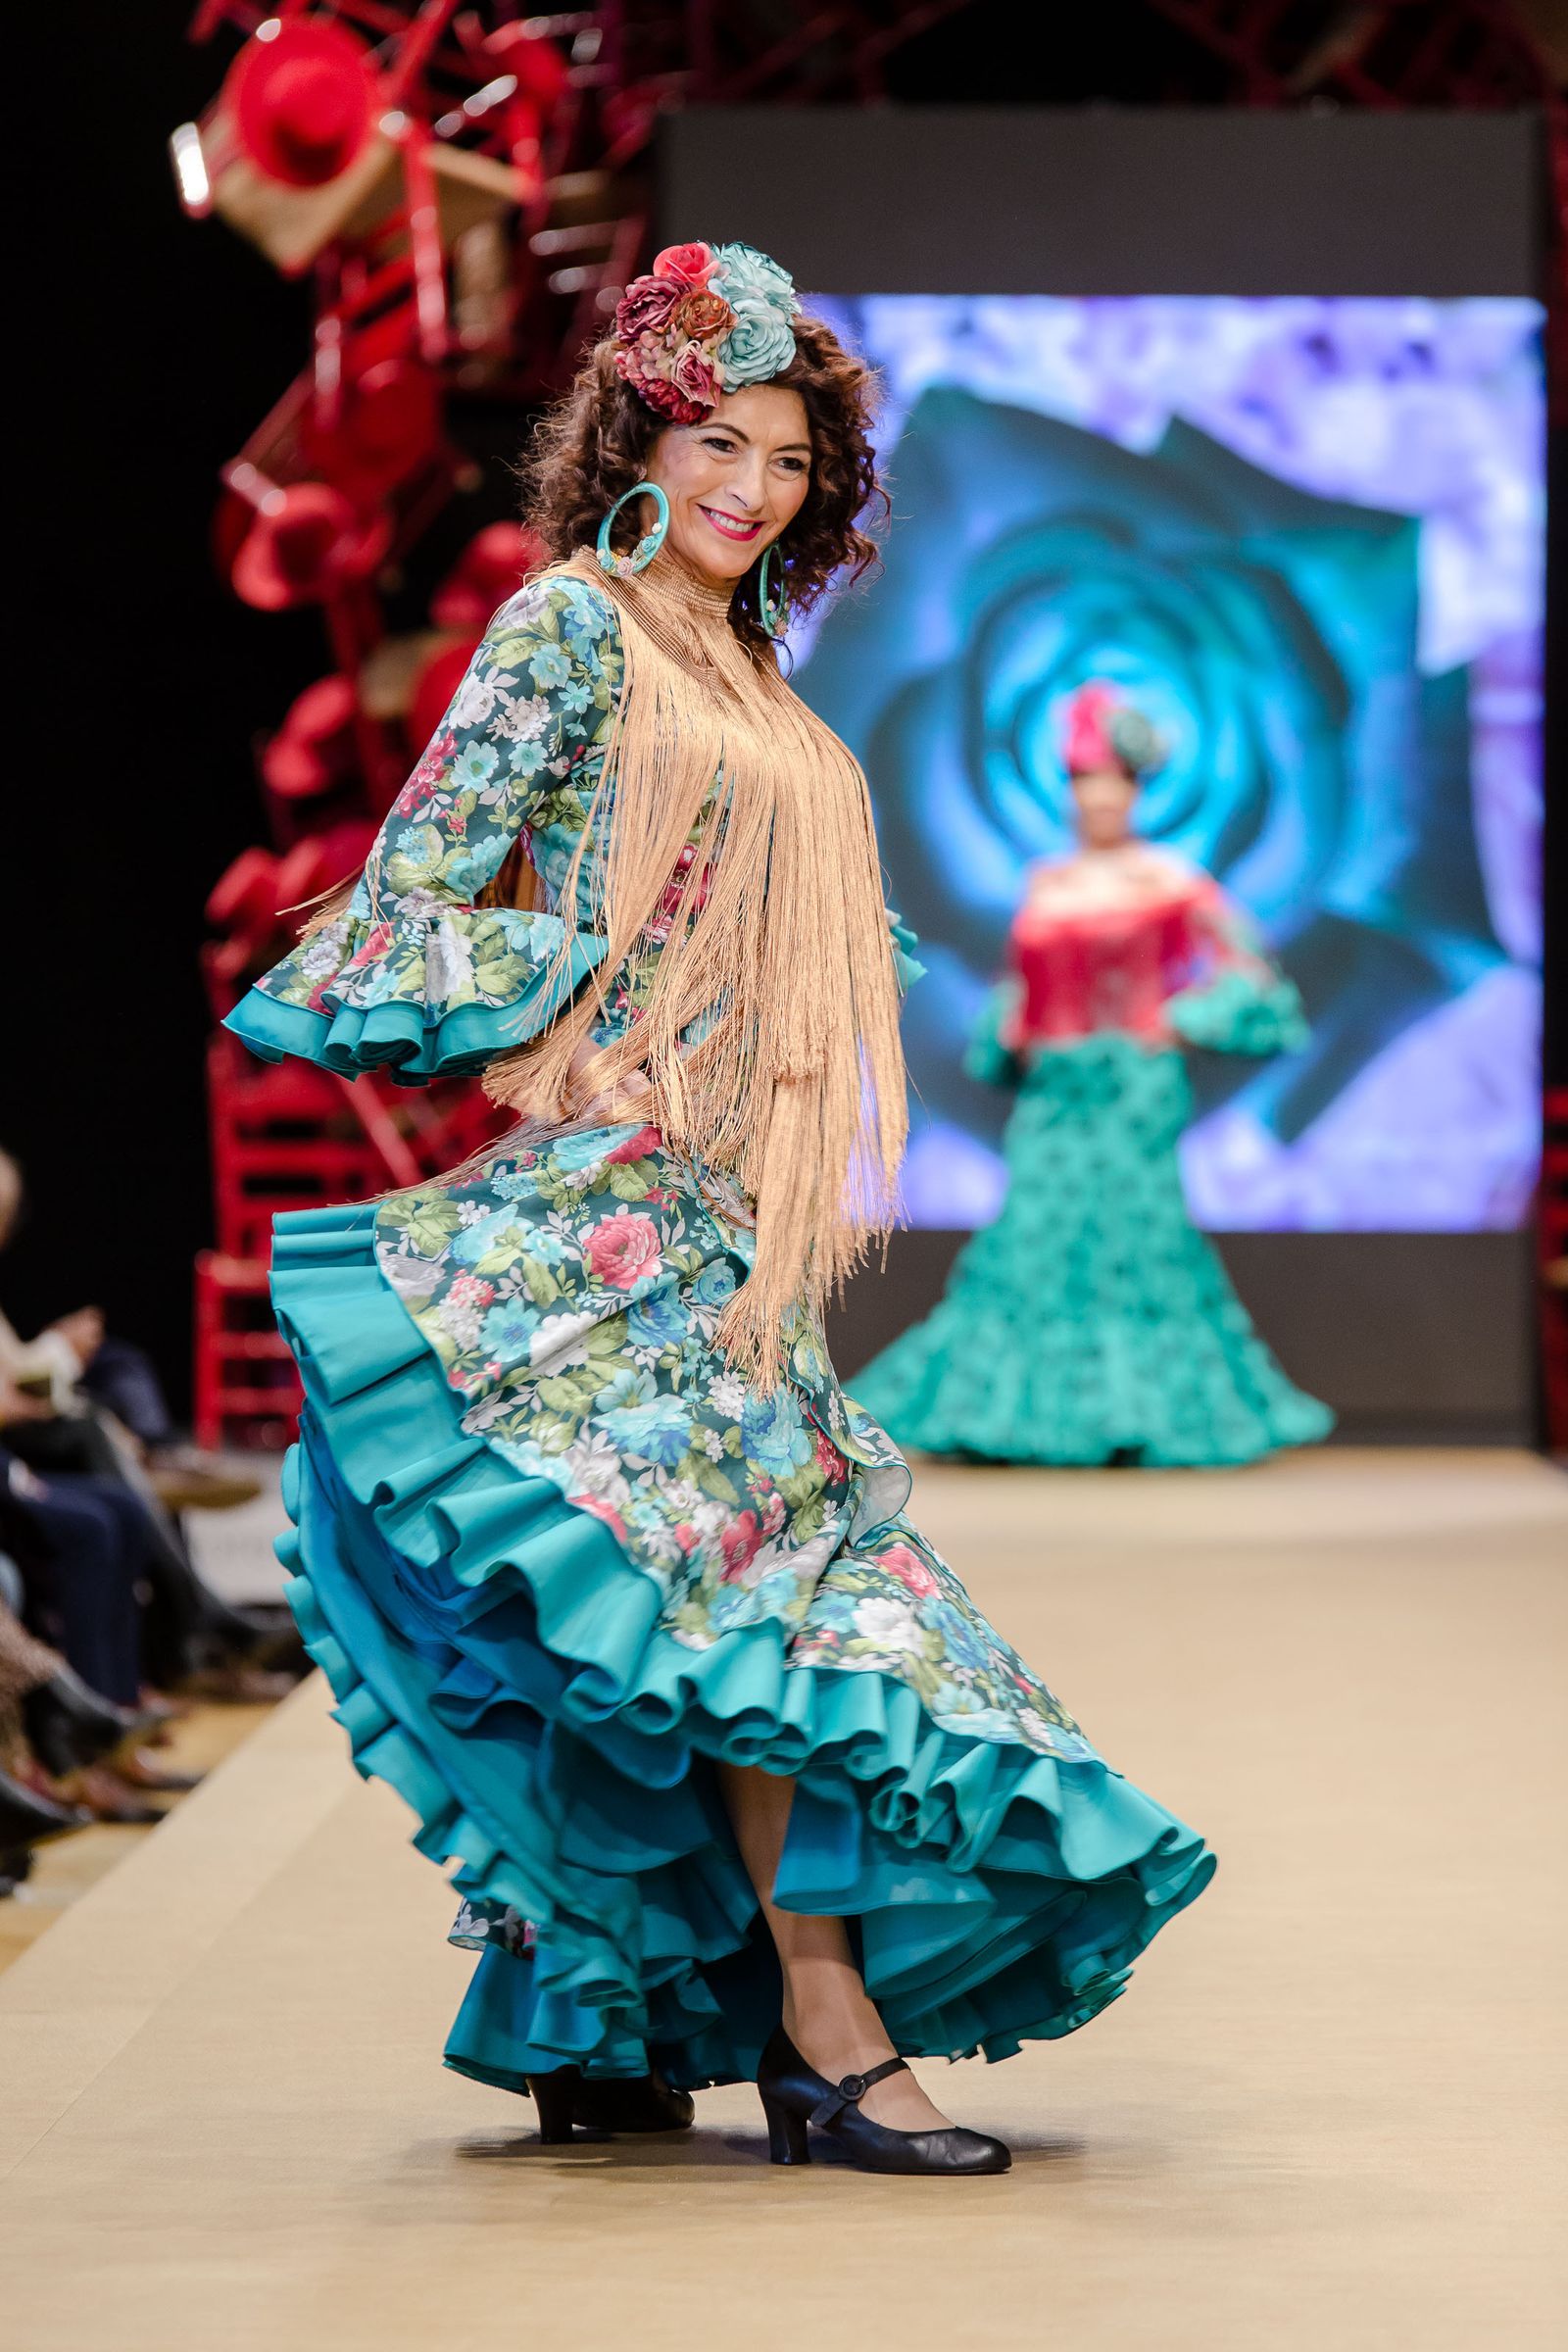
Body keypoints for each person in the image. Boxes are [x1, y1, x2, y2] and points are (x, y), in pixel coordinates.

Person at [225, 245, 1213, 2177]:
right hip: (614, 1218)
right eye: (716, 442)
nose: (749, 487)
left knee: (684, 1616)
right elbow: (418, 882)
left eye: (785, 459)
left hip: (730, 1224)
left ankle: (598, 2010)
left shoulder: (746, 664)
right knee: (758, 1609)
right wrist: (568, 1021)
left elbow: (764, 918)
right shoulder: (572, 626)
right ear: (638, 439)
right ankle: (822, 2039)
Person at [854, 682, 1335, 1468]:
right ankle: (1015, 1417)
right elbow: (1025, 985)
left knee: (1135, 1241)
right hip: (1053, 1092)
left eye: (1114, 778)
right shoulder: (1049, 883)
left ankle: (1144, 1414)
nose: (1099, 795)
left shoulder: (1169, 880)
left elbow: (1255, 975)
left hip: (1133, 1087)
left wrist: (1180, 1021)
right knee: (1037, 1239)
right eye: (1084, 778)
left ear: (1138, 788)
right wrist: (1016, 1025)